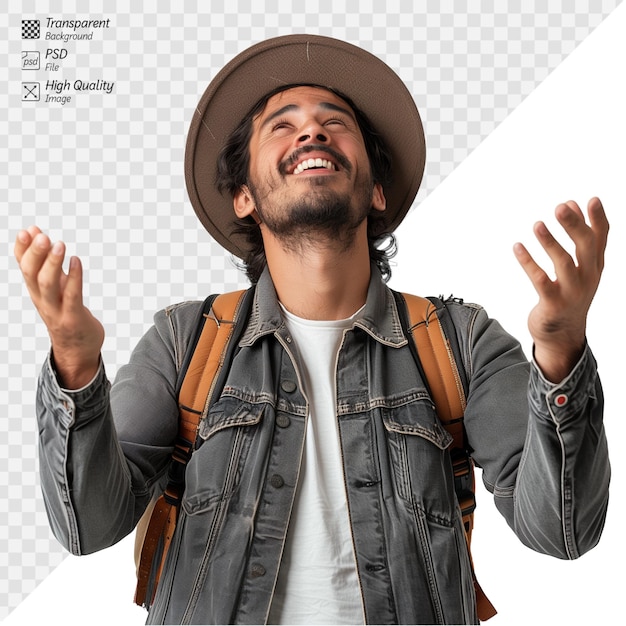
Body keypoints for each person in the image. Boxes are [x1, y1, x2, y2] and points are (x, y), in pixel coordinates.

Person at [14, 34, 610, 625]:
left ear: (376, 189)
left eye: (334, 121)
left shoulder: (460, 342)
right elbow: (88, 526)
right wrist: (74, 364)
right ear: (244, 196)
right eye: (282, 124)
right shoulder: (184, 341)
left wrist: (559, 354)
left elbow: (562, 531)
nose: (313, 132)